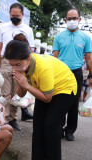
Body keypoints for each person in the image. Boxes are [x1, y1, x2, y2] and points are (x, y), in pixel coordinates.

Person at [4, 39, 77, 160]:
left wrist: (26, 84)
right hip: (44, 89)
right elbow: (21, 94)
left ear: (28, 57)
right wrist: (22, 83)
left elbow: (47, 98)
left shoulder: (43, 67)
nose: (15, 68)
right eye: (12, 65)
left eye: (17, 65)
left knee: (50, 125)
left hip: (64, 88)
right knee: (38, 125)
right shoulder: (19, 66)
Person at [53, 8, 92, 141]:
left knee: (73, 103)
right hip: (60, 73)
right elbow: (55, 57)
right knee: (59, 101)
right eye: (69, 19)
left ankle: (70, 130)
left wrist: (91, 75)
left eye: (74, 18)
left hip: (76, 73)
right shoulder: (58, 37)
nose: (72, 21)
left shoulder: (86, 38)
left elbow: (88, 58)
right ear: (65, 20)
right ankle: (58, 128)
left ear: (79, 19)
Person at [0, 3, 35, 130]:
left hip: (21, 63)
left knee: (16, 92)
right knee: (5, 93)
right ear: (9, 14)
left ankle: (12, 118)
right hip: (6, 61)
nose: (15, 17)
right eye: (12, 15)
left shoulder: (28, 30)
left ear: (22, 15)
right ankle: (3, 119)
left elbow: (31, 50)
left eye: (17, 16)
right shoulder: (3, 27)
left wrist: (28, 67)